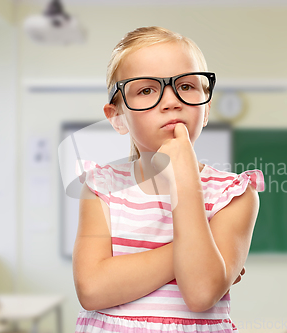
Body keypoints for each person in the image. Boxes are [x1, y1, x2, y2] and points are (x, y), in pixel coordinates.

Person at [73, 26, 264, 333]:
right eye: (146, 90)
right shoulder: (101, 187)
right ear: (118, 117)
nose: (171, 101)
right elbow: (92, 290)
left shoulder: (235, 194)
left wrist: (185, 178)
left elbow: (201, 292)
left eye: (186, 86)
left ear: (206, 108)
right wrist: (198, 250)